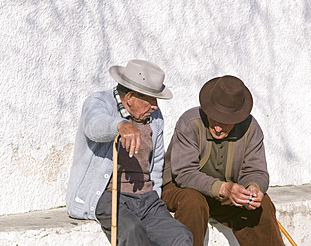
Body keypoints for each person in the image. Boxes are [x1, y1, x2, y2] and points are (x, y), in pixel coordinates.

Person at [66, 59, 193, 246]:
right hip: (107, 195)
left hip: (146, 198)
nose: (155, 105)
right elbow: (93, 126)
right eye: (151, 99)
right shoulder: (99, 101)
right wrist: (120, 125)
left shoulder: (154, 117)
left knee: (180, 236)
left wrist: (154, 196)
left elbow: (156, 163)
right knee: (132, 233)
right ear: (131, 97)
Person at [162, 75, 285, 246]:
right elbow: (184, 174)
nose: (218, 127)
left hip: (223, 195)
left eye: (226, 122)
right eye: (214, 118)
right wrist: (224, 188)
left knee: (262, 203)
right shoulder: (190, 123)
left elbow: (256, 171)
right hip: (181, 188)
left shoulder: (251, 128)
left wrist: (254, 188)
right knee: (193, 201)